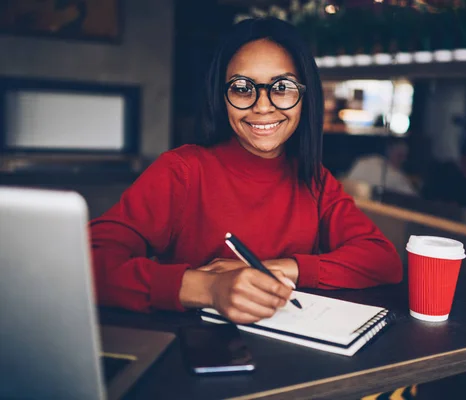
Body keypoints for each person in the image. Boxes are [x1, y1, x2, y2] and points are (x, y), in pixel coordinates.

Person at [90, 17, 403, 325]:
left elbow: (382, 261)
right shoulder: (182, 171)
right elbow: (87, 264)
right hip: (197, 358)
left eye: (281, 87)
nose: (263, 106)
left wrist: (278, 270)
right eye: (242, 88)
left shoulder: (315, 179)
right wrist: (206, 287)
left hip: (293, 361)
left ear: (304, 98)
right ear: (221, 97)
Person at [345, 137, 418, 196]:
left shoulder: (362, 162)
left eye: (405, 157)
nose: (403, 160)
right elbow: (414, 200)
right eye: (400, 156)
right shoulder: (395, 176)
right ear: (388, 150)